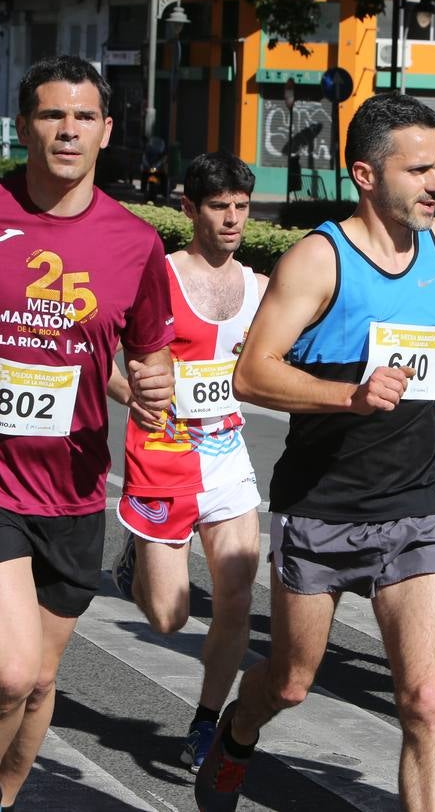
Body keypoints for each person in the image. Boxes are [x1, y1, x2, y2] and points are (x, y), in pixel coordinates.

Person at [0, 56, 174, 812]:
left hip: (72, 487)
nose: (67, 130)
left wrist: (155, 385)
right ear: (24, 126)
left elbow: (151, 353)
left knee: (42, 680)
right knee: (10, 672)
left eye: (83, 117)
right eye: (51, 115)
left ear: (107, 131)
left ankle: (0, 800)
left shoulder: (136, 243)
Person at [195, 93, 435, 812]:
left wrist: (434, 374)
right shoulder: (319, 259)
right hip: (324, 504)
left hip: (416, 500)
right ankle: (239, 731)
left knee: (428, 701)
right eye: (420, 171)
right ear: (367, 175)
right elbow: (252, 371)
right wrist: (350, 395)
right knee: (289, 680)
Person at [107, 151, 266, 773]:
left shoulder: (259, 288)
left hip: (227, 456)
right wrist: (133, 395)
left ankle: (206, 720)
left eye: (241, 208)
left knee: (235, 598)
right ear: (189, 209)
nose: (232, 220)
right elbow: (103, 353)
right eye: (219, 207)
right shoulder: (159, 278)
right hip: (162, 457)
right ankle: (135, 559)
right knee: (170, 617)